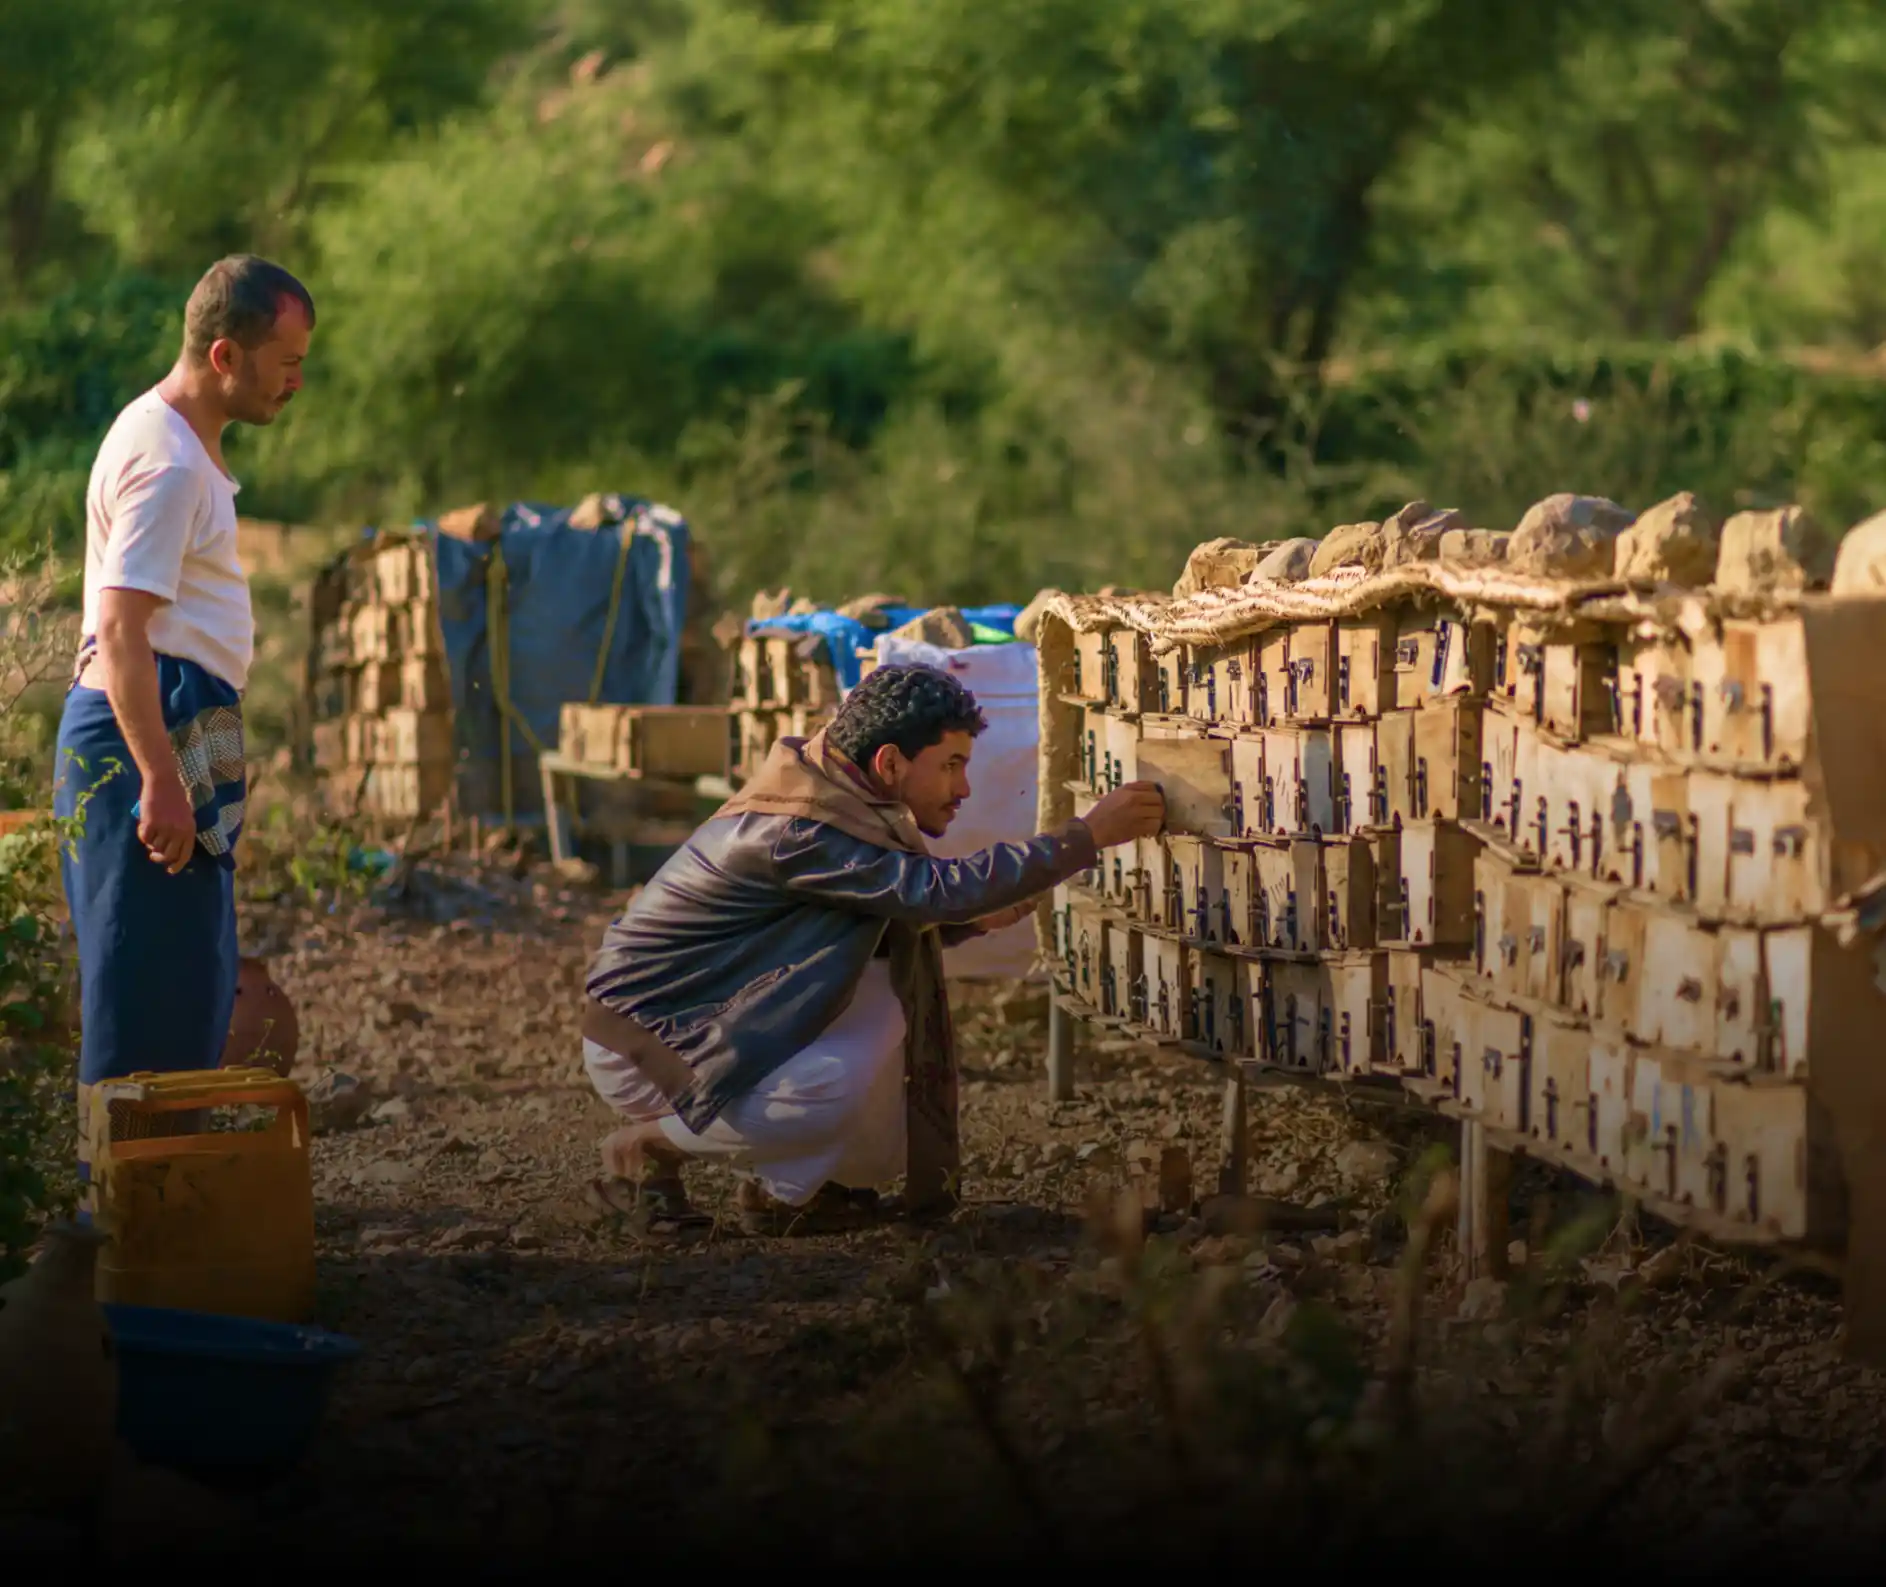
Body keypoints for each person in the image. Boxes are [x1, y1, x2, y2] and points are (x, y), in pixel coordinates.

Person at [580, 662, 1165, 1235]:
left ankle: (795, 1190)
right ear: (889, 762)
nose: (964, 789)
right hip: (652, 1039)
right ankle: (649, 1151)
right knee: (834, 1082)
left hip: (705, 1018)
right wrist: (1086, 836)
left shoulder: (839, 804)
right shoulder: (801, 831)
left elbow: (862, 924)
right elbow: (932, 892)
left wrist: (969, 923)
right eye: (952, 766)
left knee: (886, 1004)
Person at [55, 255, 314, 1197]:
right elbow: (121, 631)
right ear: (223, 354)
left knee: (188, 984)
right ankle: (119, 1236)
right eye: (283, 360)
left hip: (169, 725)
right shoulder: (165, 462)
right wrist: (159, 775)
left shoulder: (181, 446)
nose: (296, 379)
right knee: (145, 995)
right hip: (139, 733)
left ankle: (156, 1218)